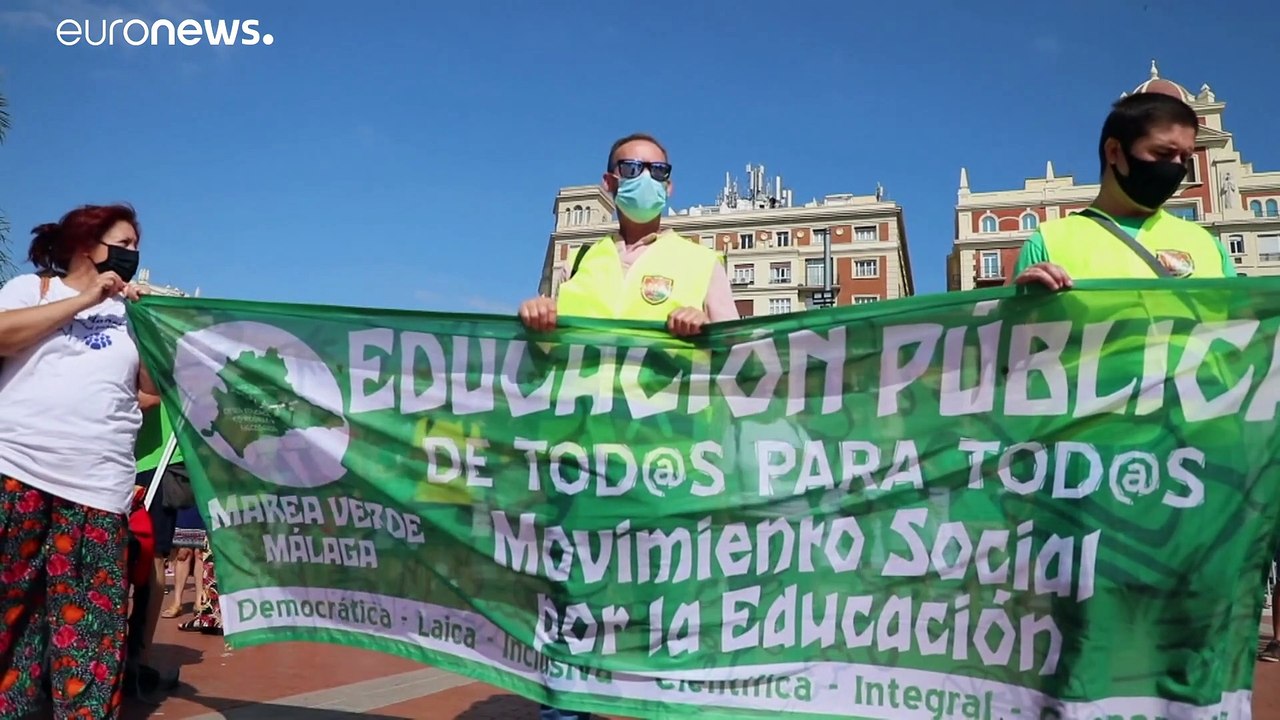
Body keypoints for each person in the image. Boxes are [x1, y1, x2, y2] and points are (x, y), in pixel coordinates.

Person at [518, 133, 739, 720]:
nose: (648, 177)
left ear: (670, 182)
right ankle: (567, 711)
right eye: (633, 167)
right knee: (576, 601)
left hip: (668, 462)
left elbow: (743, 359)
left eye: (659, 169)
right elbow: (552, 362)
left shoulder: (700, 262)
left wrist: (708, 331)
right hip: (584, 458)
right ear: (610, 181)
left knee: (667, 608)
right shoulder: (584, 261)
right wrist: (540, 324)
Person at [0, 204, 157, 719]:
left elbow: (149, 396)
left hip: (96, 486)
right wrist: (88, 298)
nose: (132, 253)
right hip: (18, 470)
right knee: (10, 612)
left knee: (91, 624)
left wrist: (153, 327)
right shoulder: (34, 290)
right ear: (86, 244)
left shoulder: (129, 314)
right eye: (123, 242)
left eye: (136, 245)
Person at [1010, 91, 1235, 288]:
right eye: (1163, 154)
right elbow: (1007, 333)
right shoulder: (1048, 242)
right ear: (1114, 151)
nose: (1177, 166)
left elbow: (1244, 327)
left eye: (1185, 157)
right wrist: (1019, 304)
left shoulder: (1208, 245)